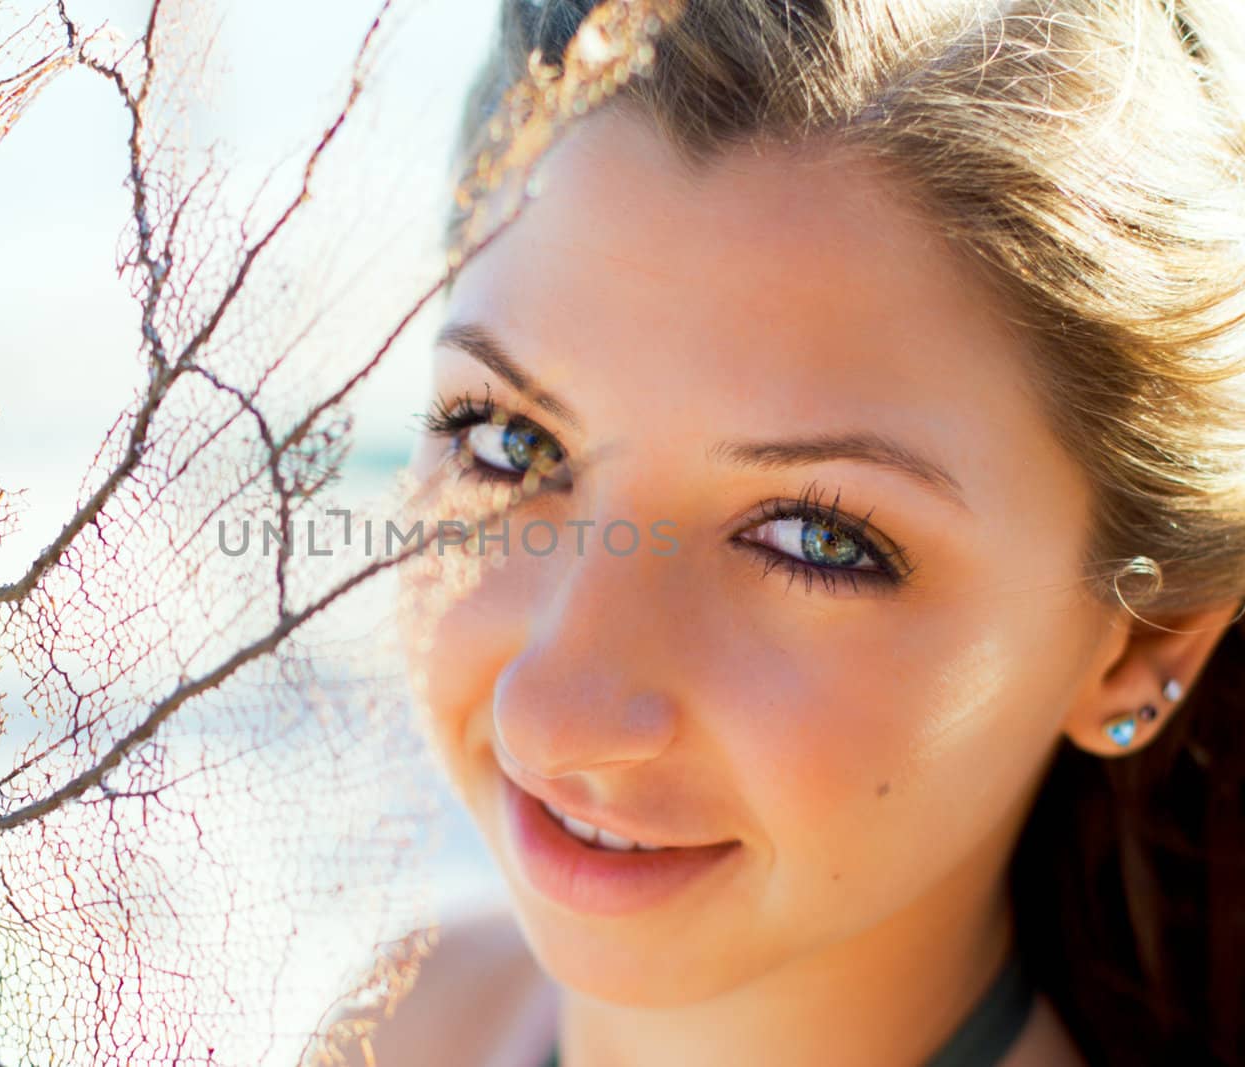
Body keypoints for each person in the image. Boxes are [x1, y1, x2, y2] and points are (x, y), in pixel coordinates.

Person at [318, 1, 1245, 1064]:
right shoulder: (402, 1021)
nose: (548, 716)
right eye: (505, 441)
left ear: (1142, 637)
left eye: (814, 538)